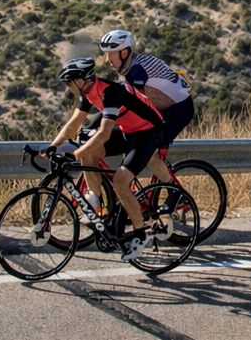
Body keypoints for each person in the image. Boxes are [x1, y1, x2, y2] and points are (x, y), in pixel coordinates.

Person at [45, 57, 170, 261]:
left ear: (82, 79)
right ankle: (95, 199)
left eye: (69, 82)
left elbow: (103, 133)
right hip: (128, 131)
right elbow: (73, 124)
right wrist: (53, 145)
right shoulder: (87, 93)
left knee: (120, 181)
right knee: (88, 151)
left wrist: (78, 152)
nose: (68, 86)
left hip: (149, 132)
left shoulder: (109, 91)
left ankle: (140, 235)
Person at [99, 30, 195, 150]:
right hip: (166, 106)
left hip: (178, 110)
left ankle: (160, 166)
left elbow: (135, 105)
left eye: (110, 54)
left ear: (124, 53)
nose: (107, 59)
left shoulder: (137, 72)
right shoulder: (131, 64)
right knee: (131, 141)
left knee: (148, 150)